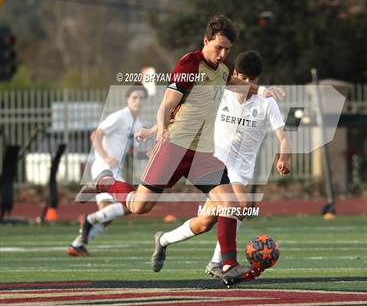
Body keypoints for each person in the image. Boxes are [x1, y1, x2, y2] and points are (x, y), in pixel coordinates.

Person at [75, 15, 280, 286]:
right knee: (139, 206)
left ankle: (228, 264)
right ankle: (107, 183)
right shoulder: (189, 64)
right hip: (174, 148)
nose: (222, 54)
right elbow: (167, 104)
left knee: (230, 204)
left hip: (203, 154)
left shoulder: (222, 69)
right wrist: (160, 128)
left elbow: (234, 83)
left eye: (227, 50)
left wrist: (262, 90)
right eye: (218, 47)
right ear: (206, 40)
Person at [152, 51, 290, 279]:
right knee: (241, 204)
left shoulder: (267, 102)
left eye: (253, 80)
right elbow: (185, 112)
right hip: (215, 162)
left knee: (205, 223)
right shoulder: (221, 94)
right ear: (234, 75)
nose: (248, 84)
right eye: (243, 79)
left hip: (241, 170)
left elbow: (283, 136)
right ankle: (220, 263)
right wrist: (156, 129)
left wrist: (284, 157)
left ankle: (164, 239)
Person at [67, 85, 152, 256]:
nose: (138, 101)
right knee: (131, 205)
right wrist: (105, 156)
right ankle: (89, 221)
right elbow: (95, 135)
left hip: (115, 171)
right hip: (104, 169)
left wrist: (153, 154)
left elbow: (134, 151)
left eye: (141, 98)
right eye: (134, 97)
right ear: (127, 100)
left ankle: (78, 243)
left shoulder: (138, 123)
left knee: (108, 215)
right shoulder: (120, 116)